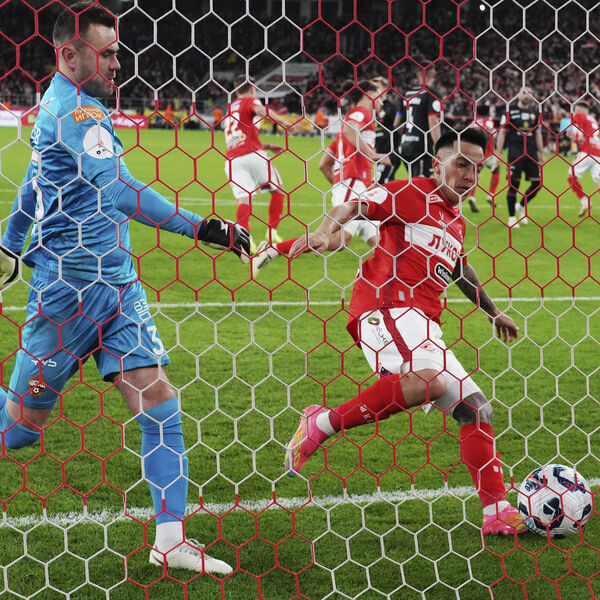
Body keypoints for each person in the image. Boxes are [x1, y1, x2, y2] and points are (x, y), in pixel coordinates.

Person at [0, 1, 249, 574]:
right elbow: (119, 192)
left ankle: (170, 540)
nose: (118, 63)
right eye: (107, 53)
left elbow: (34, 182)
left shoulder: (65, 105)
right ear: (70, 53)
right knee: (20, 431)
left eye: (117, 51)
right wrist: (205, 228)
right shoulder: (74, 111)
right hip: (66, 297)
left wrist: (10, 243)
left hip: (119, 288)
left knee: (158, 399)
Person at [284, 128, 526, 536]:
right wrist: (325, 230)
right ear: (437, 164)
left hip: (424, 324)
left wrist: (493, 312)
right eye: (462, 164)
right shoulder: (412, 192)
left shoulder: (456, 221)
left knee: (476, 409)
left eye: (477, 168)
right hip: (385, 307)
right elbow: (354, 205)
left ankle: (497, 511)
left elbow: (460, 269)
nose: (470, 175)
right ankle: (321, 424)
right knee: (428, 382)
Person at [250, 79, 391, 278]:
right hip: (354, 182)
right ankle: (271, 250)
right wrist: (371, 155)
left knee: (384, 242)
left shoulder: (344, 132)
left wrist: (338, 185)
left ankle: (384, 284)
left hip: (355, 185)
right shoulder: (362, 113)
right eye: (379, 96)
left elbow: (324, 164)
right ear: (369, 94)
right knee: (339, 240)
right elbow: (350, 128)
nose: (382, 102)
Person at [224, 75, 296, 247]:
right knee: (278, 191)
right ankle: (272, 233)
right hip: (253, 156)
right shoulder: (250, 100)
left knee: (244, 200)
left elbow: (239, 140)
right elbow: (261, 111)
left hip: (232, 161)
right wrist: (284, 123)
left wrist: (267, 145)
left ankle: (245, 242)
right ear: (251, 89)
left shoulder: (230, 109)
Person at [494, 87, 545, 228]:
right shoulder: (509, 111)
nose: (527, 95)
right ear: (518, 95)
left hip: (531, 153)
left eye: (530, 93)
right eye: (524, 92)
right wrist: (498, 153)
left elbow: (538, 134)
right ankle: (511, 218)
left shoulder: (534, 113)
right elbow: (502, 133)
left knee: (537, 184)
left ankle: (521, 205)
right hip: (515, 154)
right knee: (514, 185)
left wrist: (541, 153)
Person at [399, 67, 442, 178]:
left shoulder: (406, 93)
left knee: (413, 181)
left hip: (404, 145)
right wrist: (440, 148)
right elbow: (433, 123)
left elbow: (397, 123)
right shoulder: (432, 94)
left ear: (418, 75)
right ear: (434, 75)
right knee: (421, 183)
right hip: (422, 147)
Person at [566, 100, 600, 217]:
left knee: (570, 177)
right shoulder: (592, 119)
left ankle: (584, 201)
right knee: (598, 182)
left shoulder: (579, 115)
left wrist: (578, 136)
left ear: (578, 109)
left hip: (587, 153)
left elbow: (581, 135)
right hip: (598, 154)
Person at [468, 104, 500, 213]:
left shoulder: (472, 123)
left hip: (475, 154)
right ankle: (491, 195)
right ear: (487, 112)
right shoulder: (489, 122)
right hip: (488, 153)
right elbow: (490, 134)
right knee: (496, 170)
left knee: (476, 174)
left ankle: (472, 197)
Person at [373, 79, 404, 184]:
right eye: (374, 88)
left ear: (385, 89)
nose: (376, 90)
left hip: (390, 152)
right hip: (379, 153)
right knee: (385, 182)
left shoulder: (391, 108)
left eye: (378, 88)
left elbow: (397, 126)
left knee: (382, 182)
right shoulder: (374, 108)